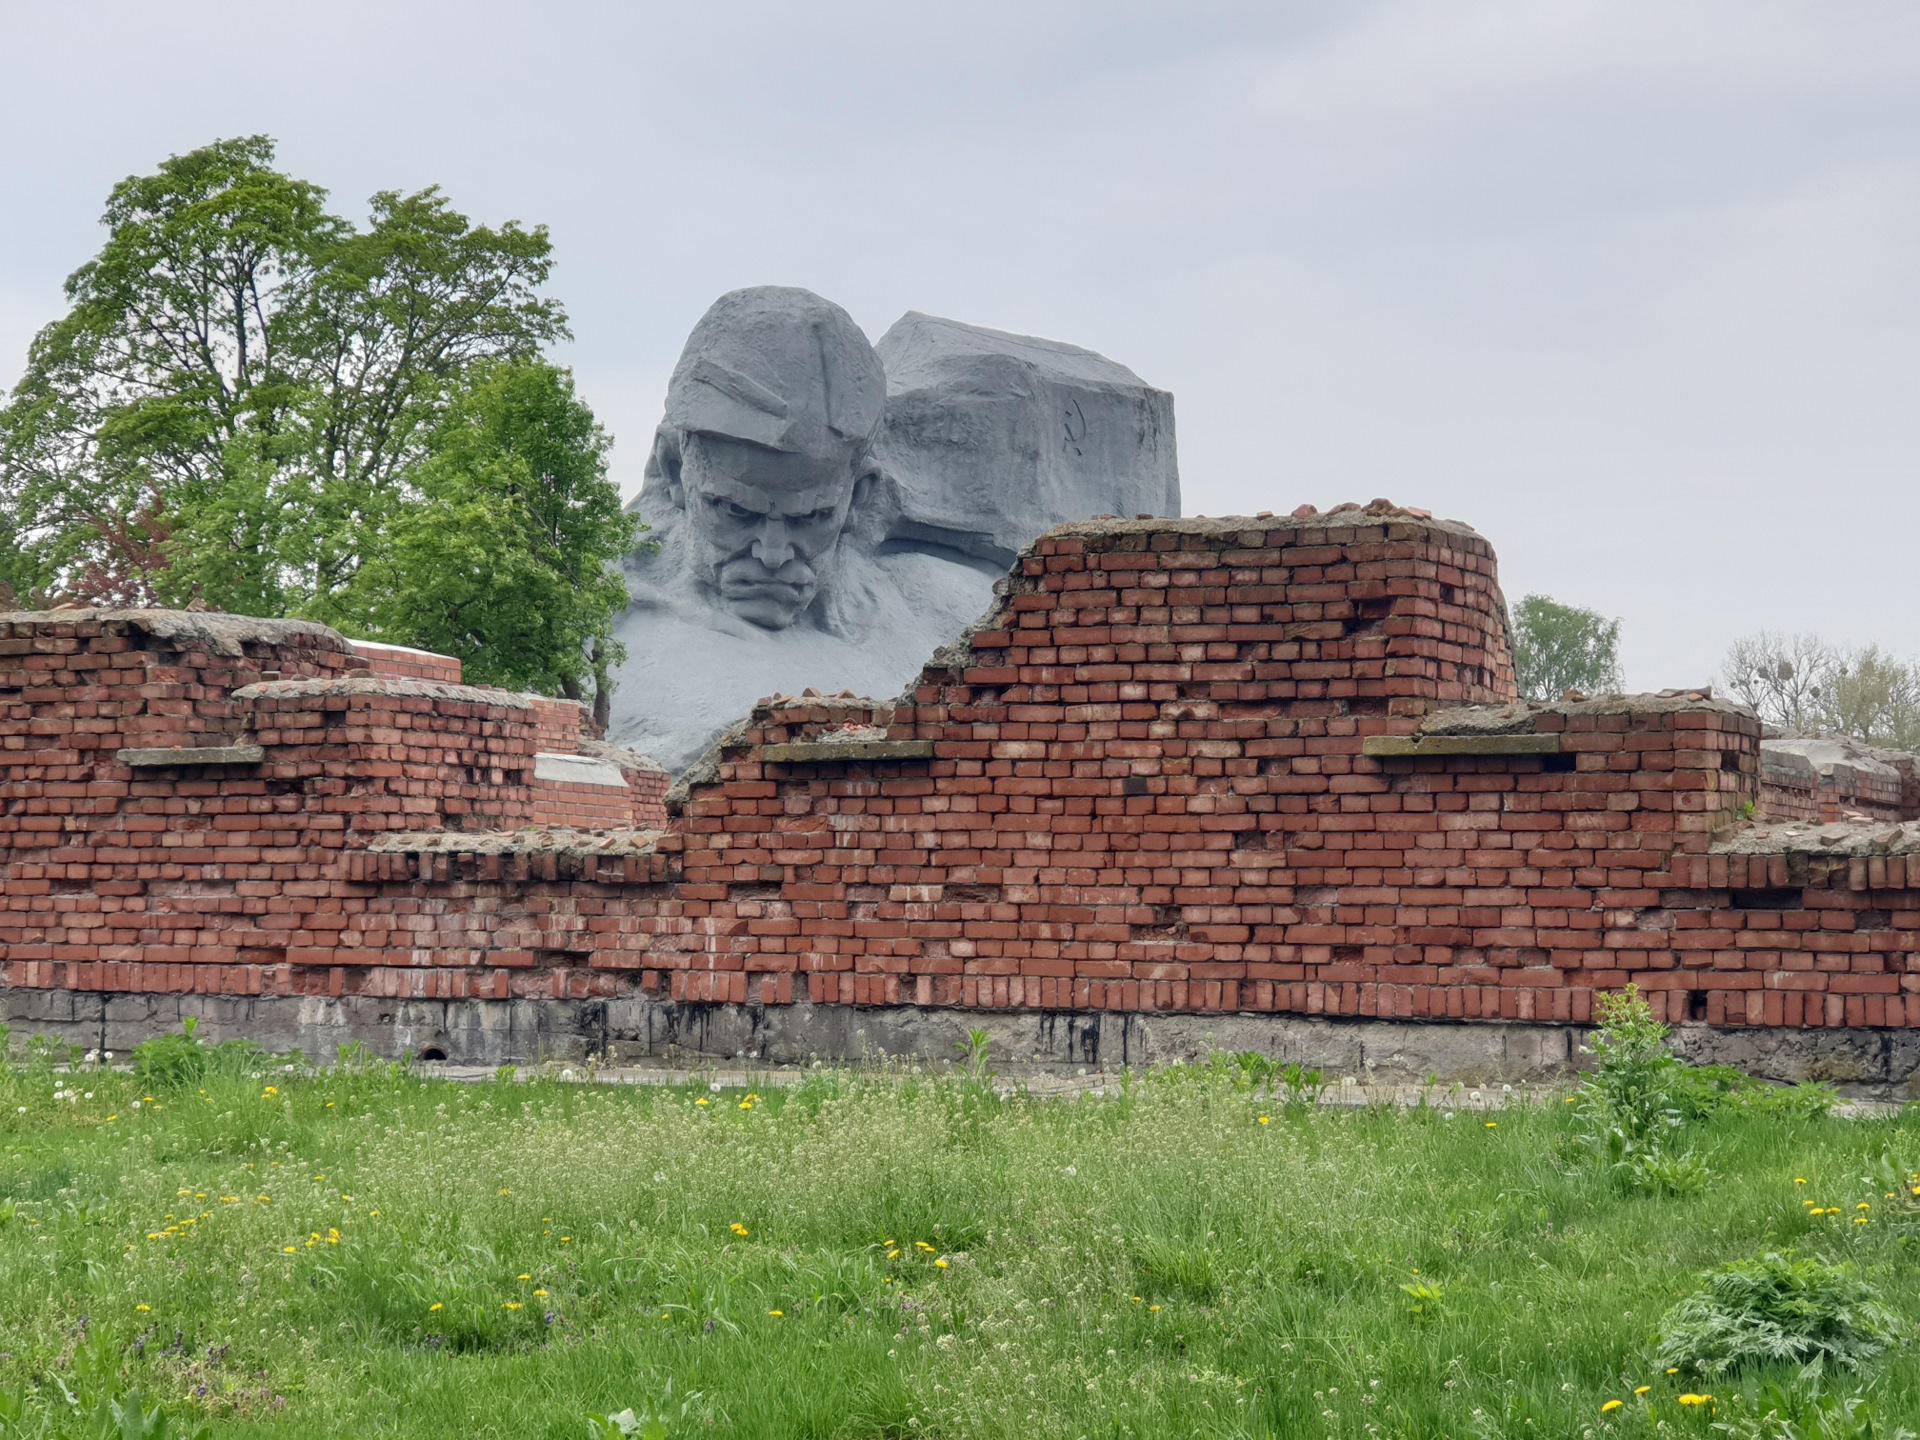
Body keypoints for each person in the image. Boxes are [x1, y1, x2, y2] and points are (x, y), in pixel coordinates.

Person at [604, 288, 1001, 772]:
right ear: (673, 471)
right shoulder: (594, 624)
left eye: (809, 518)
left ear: (858, 496)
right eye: (734, 511)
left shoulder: (951, 610)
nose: (772, 554)